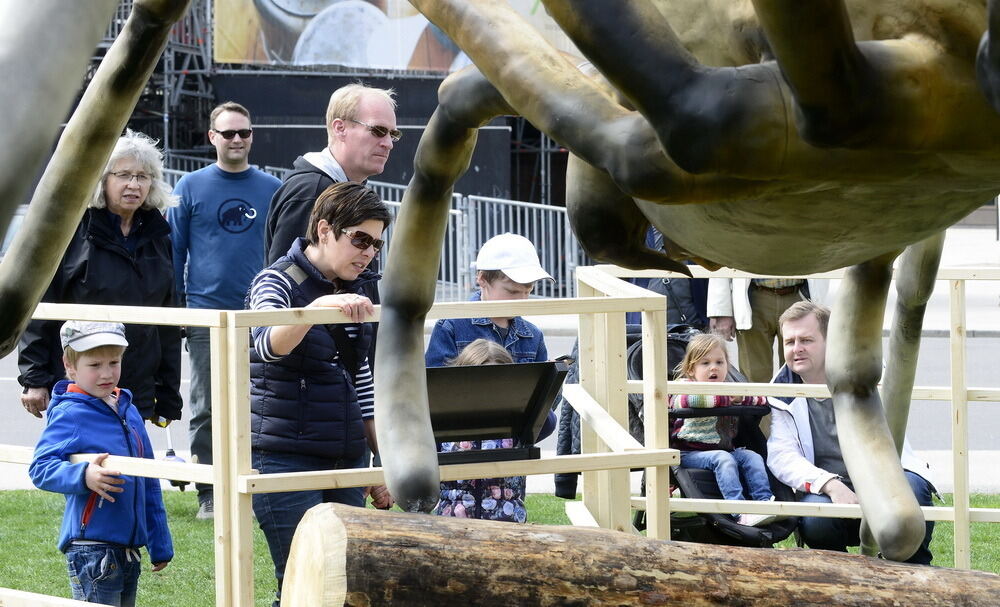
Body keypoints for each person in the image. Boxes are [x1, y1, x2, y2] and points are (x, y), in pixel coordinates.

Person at [247, 181, 393, 606]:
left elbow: (360, 379)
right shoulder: (275, 280)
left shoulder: (359, 287)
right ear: (325, 229)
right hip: (283, 458)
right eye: (360, 239)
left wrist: (382, 462)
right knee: (300, 585)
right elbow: (267, 345)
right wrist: (313, 311)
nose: (368, 253)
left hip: (346, 456)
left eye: (376, 244)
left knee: (347, 586)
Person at [18, 130, 182, 425]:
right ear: (102, 179)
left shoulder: (159, 237)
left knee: (131, 456)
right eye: (124, 175)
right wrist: (34, 378)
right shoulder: (70, 232)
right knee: (82, 455)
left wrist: (168, 393)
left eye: (142, 177)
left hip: (137, 388)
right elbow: (39, 307)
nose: (134, 185)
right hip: (79, 383)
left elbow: (167, 321)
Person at [168, 101, 281, 520]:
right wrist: (179, 311)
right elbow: (174, 251)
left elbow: (283, 252)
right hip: (206, 317)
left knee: (263, 406)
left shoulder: (272, 188)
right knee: (206, 407)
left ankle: (259, 485)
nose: (237, 140)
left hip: (260, 317)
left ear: (252, 136)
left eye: (244, 132)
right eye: (228, 133)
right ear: (212, 137)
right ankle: (209, 492)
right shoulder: (189, 186)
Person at [767, 300, 936, 563]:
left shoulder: (867, 372)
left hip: (885, 476)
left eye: (806, 340)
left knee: (912, 491)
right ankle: (843, 577)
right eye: (789, 342)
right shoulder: (780, 391)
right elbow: (781, 456)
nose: (796, 349)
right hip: (829, 488)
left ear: (831, 340)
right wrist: (830, 485)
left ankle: (914, 573)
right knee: (815, 517)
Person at [29, 321, 172, 606]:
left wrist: (160, 543)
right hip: (92, 550)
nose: (106, 373)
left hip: (129, 550)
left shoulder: (129, 411)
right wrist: (83, 475)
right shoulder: (70, 413)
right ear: (69, 365)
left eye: (113, 362)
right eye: (94, 365)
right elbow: (41, 468)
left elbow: (149, 481)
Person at [264, 83, 398, 265]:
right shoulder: (312, 193)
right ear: (340, 128)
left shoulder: (331, 188)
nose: (388, 143)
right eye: (378, 131)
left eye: (393, 134)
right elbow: (283, 277)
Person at [434, 339, 555, 522]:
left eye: (495, 384)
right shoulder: (447, 420)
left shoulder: (518, 422)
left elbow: (548, 423)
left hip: (506, 521)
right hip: (454, 519)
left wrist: (533, 389)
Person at [669, 333, 776, 527]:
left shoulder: (731, 388)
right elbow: (688, 401)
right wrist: (728, 398)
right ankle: (739, 512)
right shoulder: (685, 387)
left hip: (723, 449)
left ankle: (764, 503)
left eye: (720, 362)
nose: (714, 368)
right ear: (691, 369)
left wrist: (740, 397)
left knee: (752, 457)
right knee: (723, 459)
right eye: (705, 363)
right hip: (688, 453)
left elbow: (761, 399)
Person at [425, 233, 552, 366]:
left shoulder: (534, 336)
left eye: (528, 291)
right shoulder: (451, 327)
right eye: (512, 291)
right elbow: (435, 378)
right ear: (482, 279)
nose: (522, 300)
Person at [706, 275, 828, 383]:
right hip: (755, 297)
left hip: (799, 294)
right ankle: (758, 403)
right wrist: (721, 310)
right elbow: (722, 260)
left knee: (801, 369)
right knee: (754, 376)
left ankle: (798, 402)